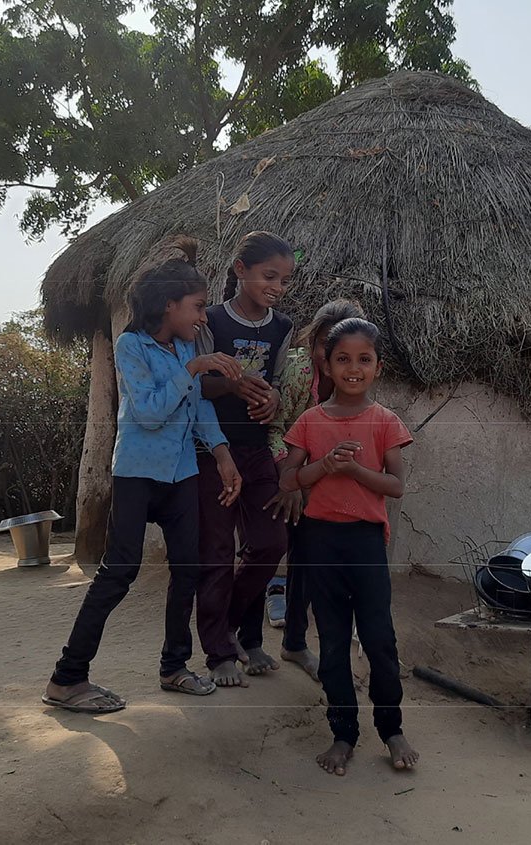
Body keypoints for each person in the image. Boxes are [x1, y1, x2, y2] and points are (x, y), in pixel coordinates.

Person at [43, 241, 244, 712]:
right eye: (197, 306)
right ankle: (67, 678)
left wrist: (222, 455)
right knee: (120, 571)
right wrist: (192, 368)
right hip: (137, 474)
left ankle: (175, 667)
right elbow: (151, 413)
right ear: (169, 304)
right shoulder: (131, 346)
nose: (203, 317)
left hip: (182, 473)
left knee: (187, 569)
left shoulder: (186, 346)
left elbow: (199, 407)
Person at [279, 317, 418, 776]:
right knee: (334, 641)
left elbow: (396, 486)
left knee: (379, 639)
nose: (353, 368)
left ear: (378, 367)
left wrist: (355, 470)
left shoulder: (385, 422)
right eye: (343, 359)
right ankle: (343, 734)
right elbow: (288, 480)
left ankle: (392, 729)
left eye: (364, 359)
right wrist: (324, 466)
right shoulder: (310, 421)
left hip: (365, 542)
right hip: (320, 540)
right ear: (326, 364)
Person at [196, 231, 295, 687]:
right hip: (214, 452)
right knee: (217, 552)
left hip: (258, 450)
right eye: (268, 276)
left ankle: (233, 629)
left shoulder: (282, 327)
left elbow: (278, 382)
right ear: (240, 270)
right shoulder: (212, 321)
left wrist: (273, 400)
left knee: (270, 544)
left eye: (284, 280)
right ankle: (221, 654)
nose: (276, 287)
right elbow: (197, 384)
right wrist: (232, 385)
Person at [262, 299, 367, 681]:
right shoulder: (298, 371)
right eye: (325, 343)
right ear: (314, 340)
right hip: (276, 465)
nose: (331, 354)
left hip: (316, 475)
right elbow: (273, 428)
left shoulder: (350, 378)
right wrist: (290, 480)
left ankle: (295, 642)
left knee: (309, 558)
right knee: (267, 549)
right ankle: (242, 640)